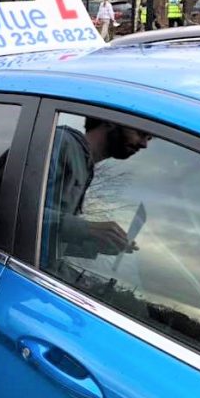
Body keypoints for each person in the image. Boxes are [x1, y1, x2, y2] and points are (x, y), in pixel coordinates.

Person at [42, 118, 151, 282]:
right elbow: (7, 205)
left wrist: (95, 242)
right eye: (141, 133)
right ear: (110, 120)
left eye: (148, 139)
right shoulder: (60, 143)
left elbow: (43, 239)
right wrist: (87, 228)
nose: (144, 144)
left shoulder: (86, 167)